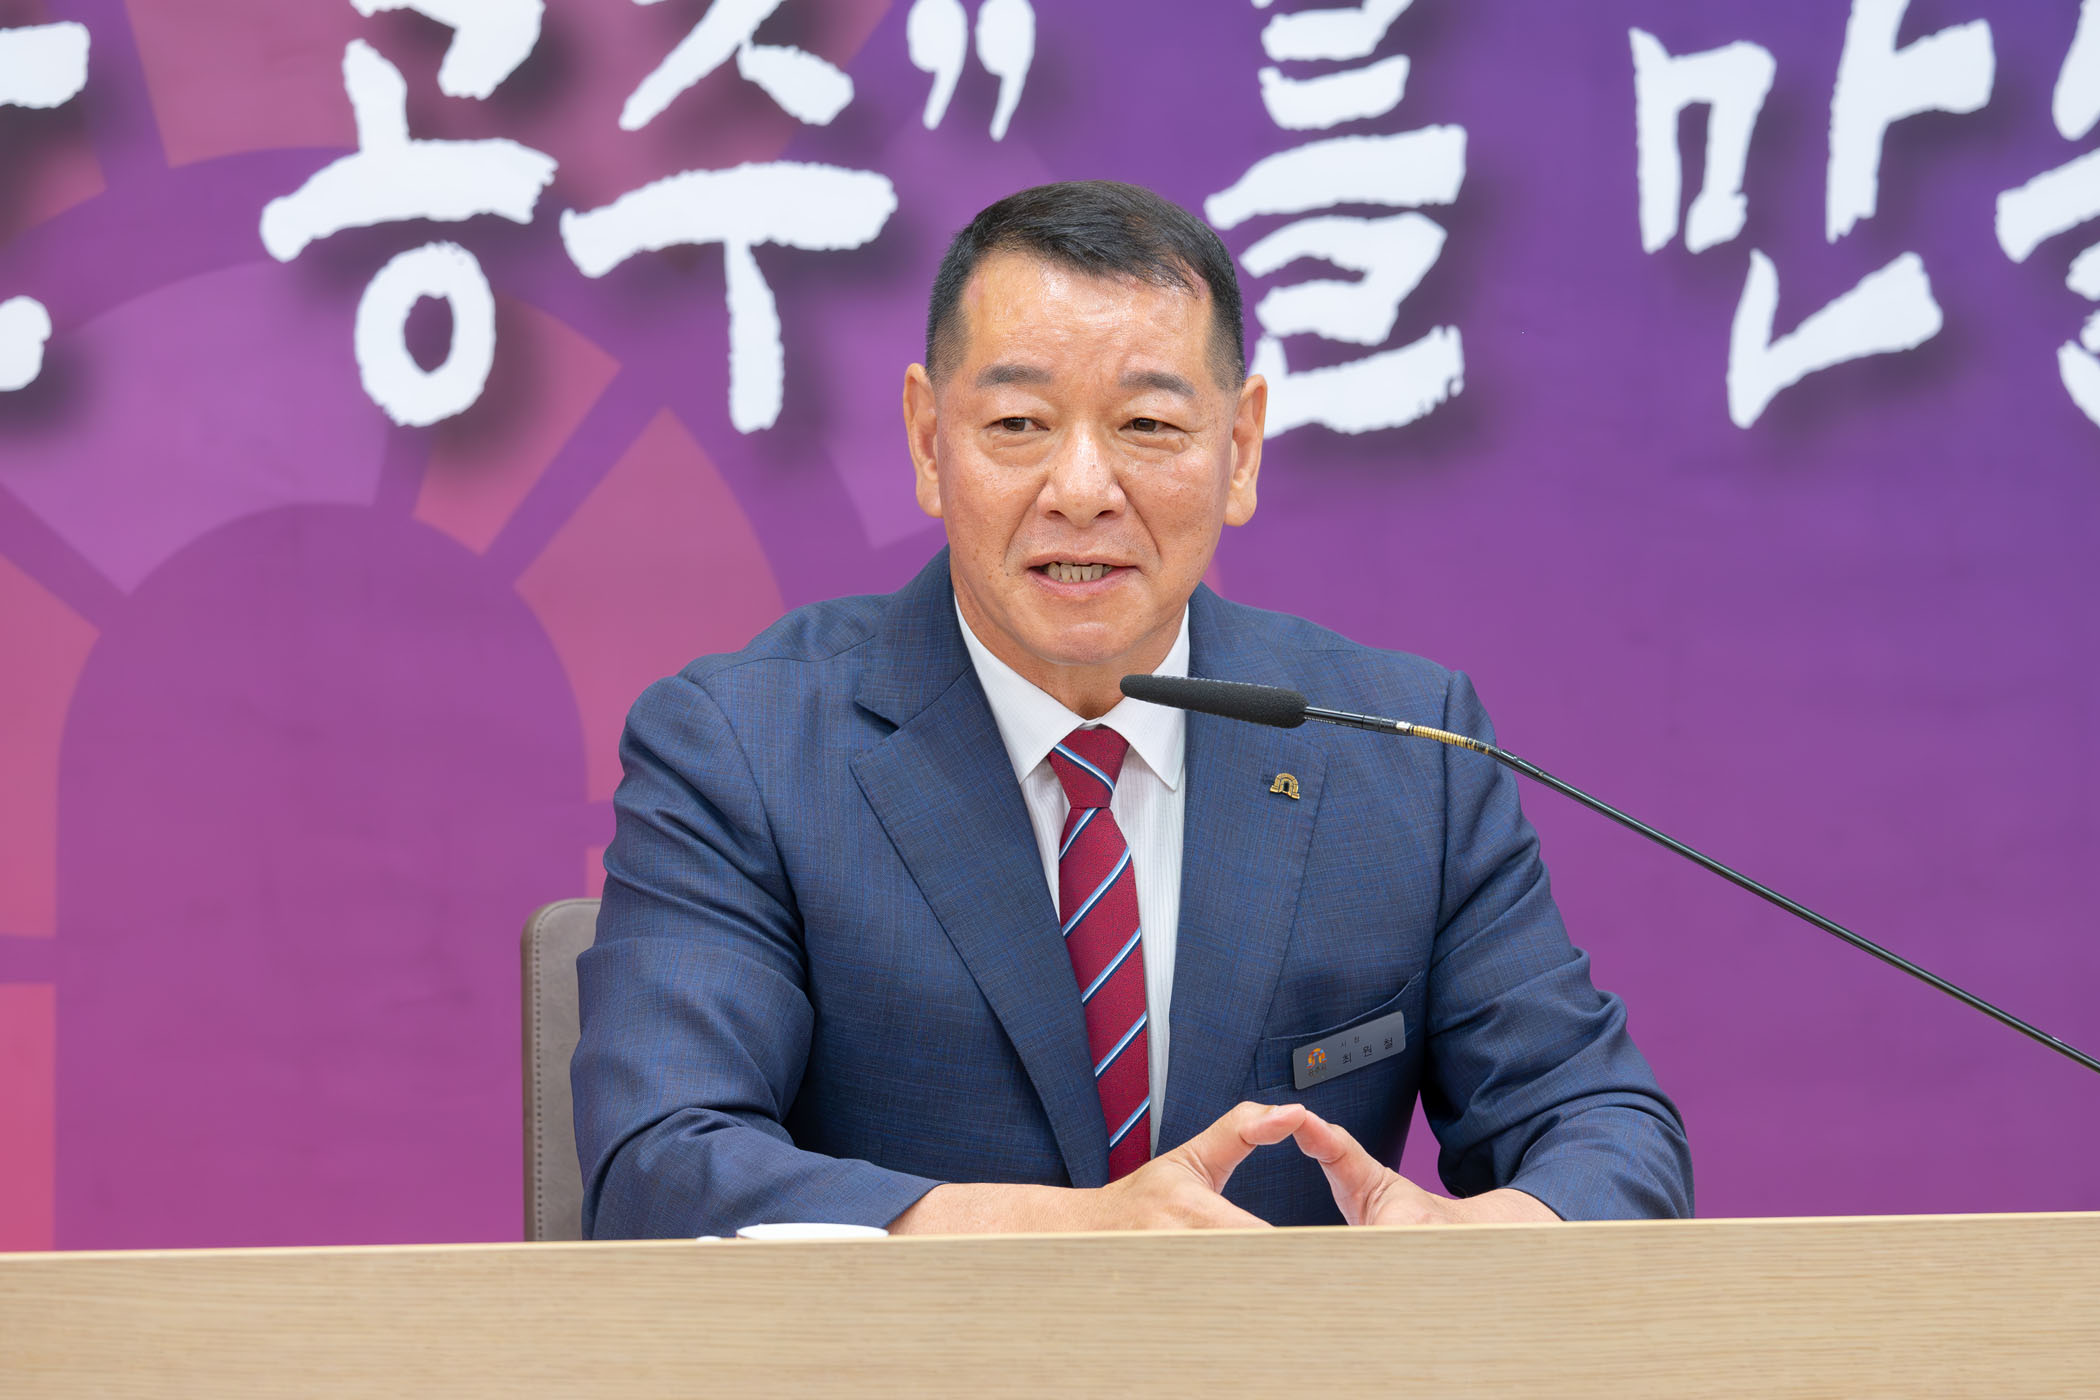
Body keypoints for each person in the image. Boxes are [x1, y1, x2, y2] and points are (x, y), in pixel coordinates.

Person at [573, 181, 1691, 1237]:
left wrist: (1474, 1240)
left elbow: (1608, 1131)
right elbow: (661, 1165)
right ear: (926, 439)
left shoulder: (1404, 750)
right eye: (1019, 423)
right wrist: (1070, 1234)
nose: (1080, 491)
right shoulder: (743, 748)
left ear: (1239, 449)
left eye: (1148, 426)